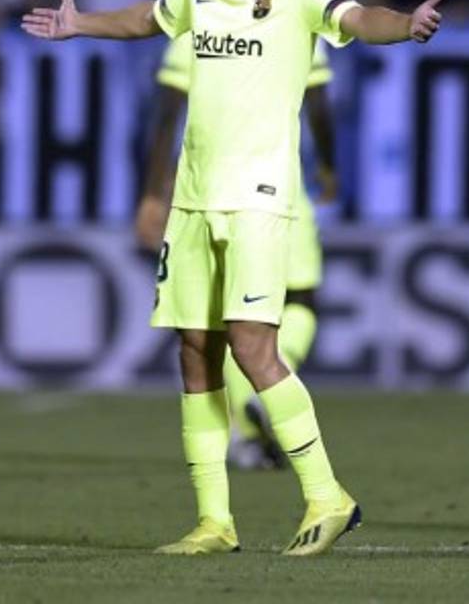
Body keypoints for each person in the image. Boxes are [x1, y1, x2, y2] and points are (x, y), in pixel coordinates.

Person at [22, 0, 444, 556]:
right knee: (196, 354)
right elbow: (149, 18)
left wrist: (407, 25)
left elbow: (360, 19)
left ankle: (326, 495)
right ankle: (215, 521)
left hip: (258, 200)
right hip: (192, 200)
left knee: (254, 347)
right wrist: (81, 25)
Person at [137, 33, 338, 470]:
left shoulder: (195, 17)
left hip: (206, 192)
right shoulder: (297, 4)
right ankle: (258, 401)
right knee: (298, 299)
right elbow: (318, 102)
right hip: (278, 186)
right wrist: (328, 164)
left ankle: (245, 434)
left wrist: (153, 193)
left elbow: (167, 116)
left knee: (214, 325)